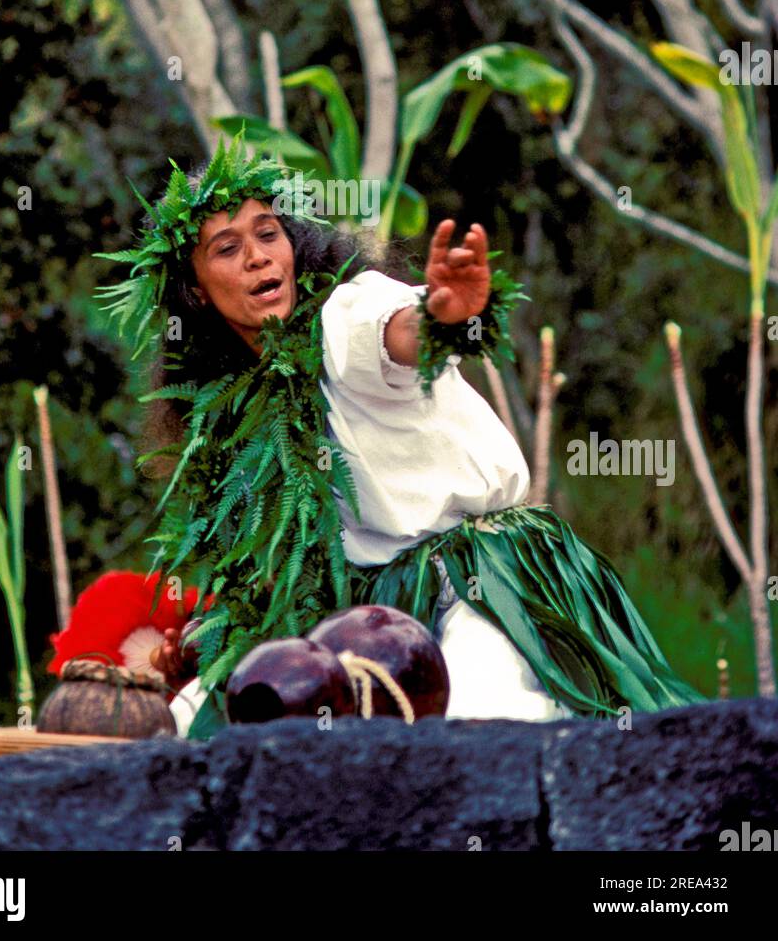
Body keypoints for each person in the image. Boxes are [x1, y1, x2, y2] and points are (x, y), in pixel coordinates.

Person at [98, 137, 703, 738]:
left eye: (268, 233)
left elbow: (397, 331)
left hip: (483, 580)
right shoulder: (231, 415)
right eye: (227, 248)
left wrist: (444, 316)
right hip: (374, 616)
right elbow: (289, 578)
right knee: (190, 723)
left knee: (478, 727)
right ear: (196, 290)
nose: (258, 257)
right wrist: (208, 643)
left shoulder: (342, 315)